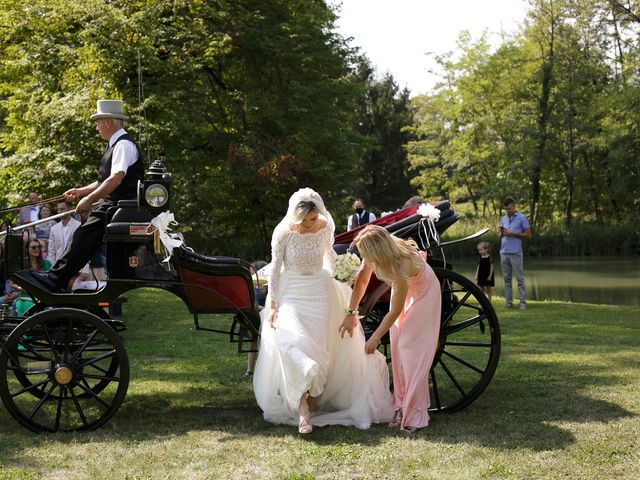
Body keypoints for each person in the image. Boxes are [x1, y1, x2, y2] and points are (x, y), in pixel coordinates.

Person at [253, 188, 394, 434]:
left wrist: (343, 276)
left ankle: (311, 403)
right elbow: (275, 268)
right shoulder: (283, 232)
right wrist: (273, 304)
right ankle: (302, 410)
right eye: (304, 221)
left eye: (313, 219)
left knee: (318, 348)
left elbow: (329, 254)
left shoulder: (325, 225)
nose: (309, 224)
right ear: (295, 217)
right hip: (293, 290)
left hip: (320, 290)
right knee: (291, 341)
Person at [19, 100, 143, 293]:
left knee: (82, 237)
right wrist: (81, 191)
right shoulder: (117, 145)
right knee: (80, 237)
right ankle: (58, 278)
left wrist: (89, 200)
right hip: (113, 206)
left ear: (108, 122)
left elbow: (116, 179)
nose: (96, 128)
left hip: (116, 208)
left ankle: (54, 280)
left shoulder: (123, 145)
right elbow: (105, 181)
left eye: (98, 122)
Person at [339, 225, 441, 432]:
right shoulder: (375, 255)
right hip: (410, 289)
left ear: (376, 250)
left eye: (364, 253)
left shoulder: (401, 264)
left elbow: (394, 311)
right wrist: (351, 312)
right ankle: (400, 404)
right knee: (396, 345)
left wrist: (375, 338)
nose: (363, 257)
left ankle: (414, 411)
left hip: (425, 293)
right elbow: (363, 282)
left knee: (408, 348)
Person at [499, 197, 532, 310]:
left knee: (520, 279)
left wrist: (513, 234)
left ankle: (522, 302)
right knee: (507, 279)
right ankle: (509, 302)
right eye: (505, 209)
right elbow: (500, 235)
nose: (507, 211)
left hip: (516, 252)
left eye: (509, 208)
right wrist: (502, 233)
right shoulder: (503, 219)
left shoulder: (522, 218)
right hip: (503, 252)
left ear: (514, 206)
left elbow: (528, 235)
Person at [13, 240, 52, 316]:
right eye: (33, 247)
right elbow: (12, 284)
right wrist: (21, 288)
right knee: (25, 306)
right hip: (25, 297)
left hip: (43, 298)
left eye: (39, 247)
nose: (37, 249)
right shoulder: (22, 264)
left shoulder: (47, 263)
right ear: (27, 249)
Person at [244, 260, 268, 377]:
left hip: (265, 317)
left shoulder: (267, 287)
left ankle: (264, 369)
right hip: (253, 316)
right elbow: (249, 302)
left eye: (253, 273)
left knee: (265, 344)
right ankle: (249, 370)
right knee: (252, 343)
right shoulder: (251, 287)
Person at [47, 200, 81, 265]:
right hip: (59, 266)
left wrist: (85, 270)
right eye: (58, 209)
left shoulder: (79, 226)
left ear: (70, 209)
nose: (59, 211)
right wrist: (53, 267)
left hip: (76, 265)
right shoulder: (53, 229)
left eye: (62, 209)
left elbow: (84, 249)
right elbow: (51, 252)